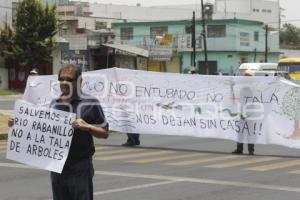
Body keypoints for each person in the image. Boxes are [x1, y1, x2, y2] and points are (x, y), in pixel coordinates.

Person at [49, 64, 109, 200]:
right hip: (57, 166)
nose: (64, 82)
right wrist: (19, 124)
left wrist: (87, 126)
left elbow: (104, 133)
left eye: (69, 79)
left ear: (79, 82)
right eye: (61, 79)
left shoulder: (91, 102)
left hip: (79, 167)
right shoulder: (54, 103)